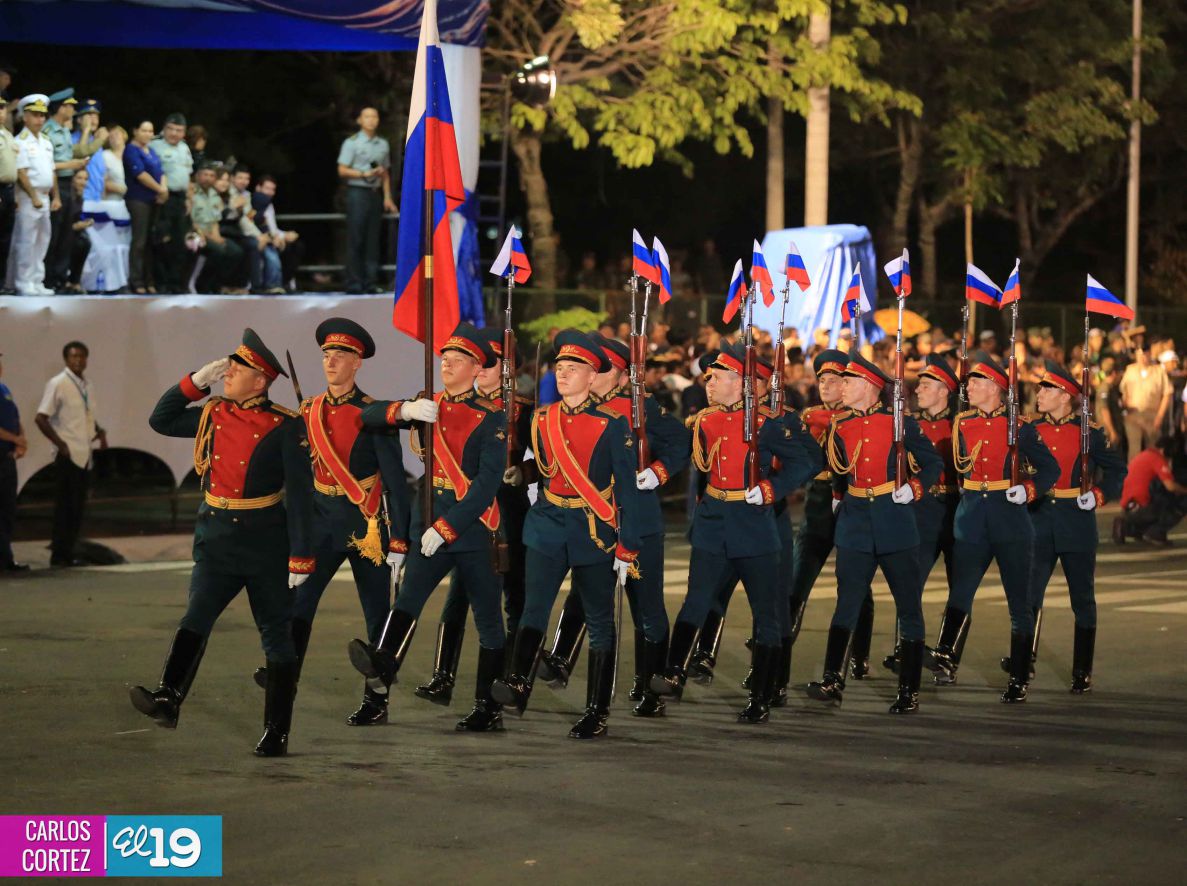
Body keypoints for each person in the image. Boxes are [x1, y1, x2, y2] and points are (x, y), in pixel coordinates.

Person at [131, 330, 314, 757]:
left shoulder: (285, 426)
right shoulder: (214, 414)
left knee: (276, 636)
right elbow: (161, 420)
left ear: (260, 381)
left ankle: (276, 731)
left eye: (237, 369)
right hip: (217, 540)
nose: (227, 373)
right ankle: (168, 697)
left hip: (265, 544)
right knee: (195, 617)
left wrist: (302, 555)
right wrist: (196, 381)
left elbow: (302, 497)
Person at [349, 324, 509, 733]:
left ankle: (488, 708)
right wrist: (405, 411)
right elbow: (366, 415)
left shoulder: (491, 417)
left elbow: (486, 485)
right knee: (406, 603)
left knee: (488, 619)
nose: (447, 366)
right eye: (444, 359)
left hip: (472, 529)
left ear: (477, 369)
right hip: (428, 521)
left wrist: (447, 527)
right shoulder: (428, 404)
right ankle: (378, 688)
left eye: (457, 361)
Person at [253, 318, 410, 727]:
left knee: (377, 614)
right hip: (320, 522)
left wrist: (400, 539)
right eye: (327, 354)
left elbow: (397, 483)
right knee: (298, 605)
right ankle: (284, 678)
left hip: (365, 525)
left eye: (341, 355)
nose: (332, 361)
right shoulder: (309, 411)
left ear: (357, 363)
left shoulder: (372, 413)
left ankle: (376, 700)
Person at [651, 342, 818, 723]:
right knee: (696, 600)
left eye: (718, 377)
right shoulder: (705, 421)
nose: (708, 383)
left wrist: (772, 488)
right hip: (713, 521)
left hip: (754, 523)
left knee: (766, 612)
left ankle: (762, 694)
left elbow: (804, 462)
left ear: (740, 383)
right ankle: (674, 672)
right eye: (709, 377)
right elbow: (684, 453)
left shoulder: (766, 424)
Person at [492, 330, 643, 739]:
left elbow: (629, 492)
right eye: (559, 366)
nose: (562, 373)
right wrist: (522, 472)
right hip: (547, 524)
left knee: (599, 621)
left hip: (592, 529)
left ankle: (597, 710)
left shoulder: (612, 425)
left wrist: (628, 547)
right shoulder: (542, 419)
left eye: (573, 368)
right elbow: (546, 468)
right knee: (533, 609)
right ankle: (518, 681)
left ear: (592, 376)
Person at [535, 333, 692, 718]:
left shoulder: (640, 406)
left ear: (622, 376)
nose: (594, 371)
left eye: (603, 367)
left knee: (645, 603)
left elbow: (680, 443)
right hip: (594, 523)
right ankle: (560, 658)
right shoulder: (571, 409)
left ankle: (651, 684)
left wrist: (657, 472)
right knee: (584, 594)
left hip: (637, 519)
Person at [805, 352, 942, 713]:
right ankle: (833, 679)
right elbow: (838, 469)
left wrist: (914, 487)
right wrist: (838, 497)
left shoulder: (900, 423)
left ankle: (908, 690)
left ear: (868, 386)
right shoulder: (840, 426)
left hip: (894, 518)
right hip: (855, 523)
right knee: (846, 603)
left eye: (848, 381)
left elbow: (932, 462)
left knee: (908, 606)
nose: (842, 387)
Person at [412, 325, 534, 709]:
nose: (483, 370)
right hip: (465, 513)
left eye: (491, 364)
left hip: (506, 511)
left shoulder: (522, 409)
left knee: (513, 596)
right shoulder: (456, 405)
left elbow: (549, 461)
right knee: (458, 596)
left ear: (506, 368)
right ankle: (443, 675)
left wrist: (524, 472)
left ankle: (510, 679)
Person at [926, 354, 1059, 703]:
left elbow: (1050, 469)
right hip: (972, 518)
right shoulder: (963, 423)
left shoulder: (1020, 426)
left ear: (996, 387)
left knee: (1019, 602)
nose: (968, 387)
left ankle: (1019, 675)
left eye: (975, 382)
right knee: (960, 592)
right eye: (969, 382)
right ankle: (945, 653)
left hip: (1009, 517)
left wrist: (1028, 490)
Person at [1007, 360, 1126, 694]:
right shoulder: (1030, 428)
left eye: (1046, 389)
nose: (1039, 394)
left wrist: (1098, 494)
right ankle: (1021, 667)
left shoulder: (1089, 432)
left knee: (1082, 600)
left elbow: (1117, 470)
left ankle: (1082, 671)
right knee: (1028, 598)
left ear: (1065, 396)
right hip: (1039, 517)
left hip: (1076, 519)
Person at [879, 354, 960, 674]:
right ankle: (906, 649)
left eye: (926, 385)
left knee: (960, 588)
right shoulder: (912, 425)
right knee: (910, 583)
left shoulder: (961, 424)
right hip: (922, 508)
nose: (918, 390)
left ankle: (947, 654)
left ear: (944, 390)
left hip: (955, 507)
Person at [34, 341, 107, 567]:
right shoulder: (58, 383)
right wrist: (60, 444)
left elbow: (86, 416)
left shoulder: (87, 385)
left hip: (84, 453)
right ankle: (59, 555)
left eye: (82, 356)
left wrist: (99, 432)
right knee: (64, 506)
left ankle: (69, 552)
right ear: (66, 359)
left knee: (77, 507)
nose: (78, 360)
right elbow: (40, 418)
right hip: (67, 454)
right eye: (74, 356)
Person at [337, 107, 395, 294]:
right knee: (356, 238)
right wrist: (364, 173)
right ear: (360, 121)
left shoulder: (383, 144)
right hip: (357, 192)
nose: (371, 120)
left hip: (375, 193)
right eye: (367, 116)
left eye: (374, 116)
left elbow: (385, 173)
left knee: (373, 239)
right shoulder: (352, 143)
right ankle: (354, 283)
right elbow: (342, 170)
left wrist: (387, 197)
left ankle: (371, 282)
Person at [6, 96, 59, 295]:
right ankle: (22, 281)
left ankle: (37, 280)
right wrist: (33, 196)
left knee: (42, 240)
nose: (40, 119)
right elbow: (22, 172)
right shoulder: (21, 142)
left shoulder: (45, 141)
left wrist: (56, 196)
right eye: (35, 115)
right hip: (29, 197)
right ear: (25, 117)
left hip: (45, 196)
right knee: (26, 241)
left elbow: (51, 171)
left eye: (42, 115)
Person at [79, 124, 129, 293]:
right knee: (106, 245)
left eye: (118, 135)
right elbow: (103, 182)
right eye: (111, 136)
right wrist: (124, 190)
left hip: (126, 205)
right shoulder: (105, 155)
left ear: (124, 136)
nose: (114, 138)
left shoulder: (129, 155)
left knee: (124, 245)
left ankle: (123, 279)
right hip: (109, 202)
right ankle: (103, 281)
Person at [149, 113, 194, 292]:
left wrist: (189, 198)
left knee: (179, 242)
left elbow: (188, 174)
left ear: (184, 132)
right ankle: (161, 282)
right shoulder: (154, 145)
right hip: (162, 198)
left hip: (180, 198)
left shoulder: (184, 148)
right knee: (162, 241)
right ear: (164, 129)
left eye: (179, 130)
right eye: (171, 129)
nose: (174, 134)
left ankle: (176, 283)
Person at [1115, 436, 1187, 545]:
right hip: (1142, 507)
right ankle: (1156, 532)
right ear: (1166, 449)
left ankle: (1128, 527)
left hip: (1129, 506)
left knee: (1159, 495)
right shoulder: (1157, 459)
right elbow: (1170, 486)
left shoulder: (1144, 455)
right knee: (1179, 502)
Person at [123, 120, 166, 294]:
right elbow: (140, 174)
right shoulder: (131, 150)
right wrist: (160, 189)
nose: (148, 134)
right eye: (144, 130)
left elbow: (161, 172)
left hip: (154, 200)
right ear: (135, 131)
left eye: (150, 131)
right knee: (139, 241)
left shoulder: (151, 151)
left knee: (151, 241)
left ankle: (150, 280)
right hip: (138, 199)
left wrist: (164, 189)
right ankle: (136, 280)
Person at [0, 349, 29, 572]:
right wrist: (16, 439)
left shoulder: (4, 389)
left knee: (7, 509)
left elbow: (15, 417)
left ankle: (5, 557)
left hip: (7, 458)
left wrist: (21, 441)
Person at [1119, 347, 1172, 463]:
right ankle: (1132, 473)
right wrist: (1125, 403)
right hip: (1133, 415)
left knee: (1153, 450)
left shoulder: (1159, 371)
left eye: (1144, 355)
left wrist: (1160, 416)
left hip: (1152, 415)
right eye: (1139, 355)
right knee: (1134, 450)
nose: (1142, 358)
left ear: (1149, 354)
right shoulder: (1130, 370)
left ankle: (1152, 473)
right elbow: (1123, 391)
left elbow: (1167, 394)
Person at [252, 174, 302, 293]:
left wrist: (284, 235)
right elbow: (252, 225)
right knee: (270, 252)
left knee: (296, 246)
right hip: (257, 237)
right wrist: (271, 237)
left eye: (272, 189)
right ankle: (272, 285)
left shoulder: (269, 205)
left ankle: (285, 282)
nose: (270, 192)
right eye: (267, 188)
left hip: (270, 236)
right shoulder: (253, 202)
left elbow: (272, 228)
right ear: (258, 188)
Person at [0, 97, 16, 293]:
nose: (1, 112)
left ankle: (2, 282)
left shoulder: (8, 135)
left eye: (3, 108)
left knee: (5, 240)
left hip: (9, 190)